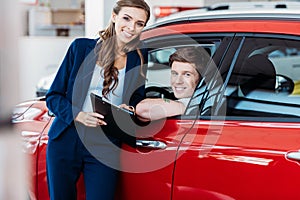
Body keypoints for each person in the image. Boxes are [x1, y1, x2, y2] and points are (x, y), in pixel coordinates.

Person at [45, 0, 150, 199]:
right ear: (114, 16)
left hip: (106, 142)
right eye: (126, 18)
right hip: (67, 138)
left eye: (139, 23)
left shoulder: (139, 56)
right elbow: (53, 97)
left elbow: (137, 96)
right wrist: (79, 115)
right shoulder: (81, 48)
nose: (131, 27)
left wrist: (131, 108)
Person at [135, 47, 209, 121]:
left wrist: (181, 107)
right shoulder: (206, 97)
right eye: (175, 73)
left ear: (202, 78)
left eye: (187, 74)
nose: (178, 81)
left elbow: (142, 109)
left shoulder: (192, 103)